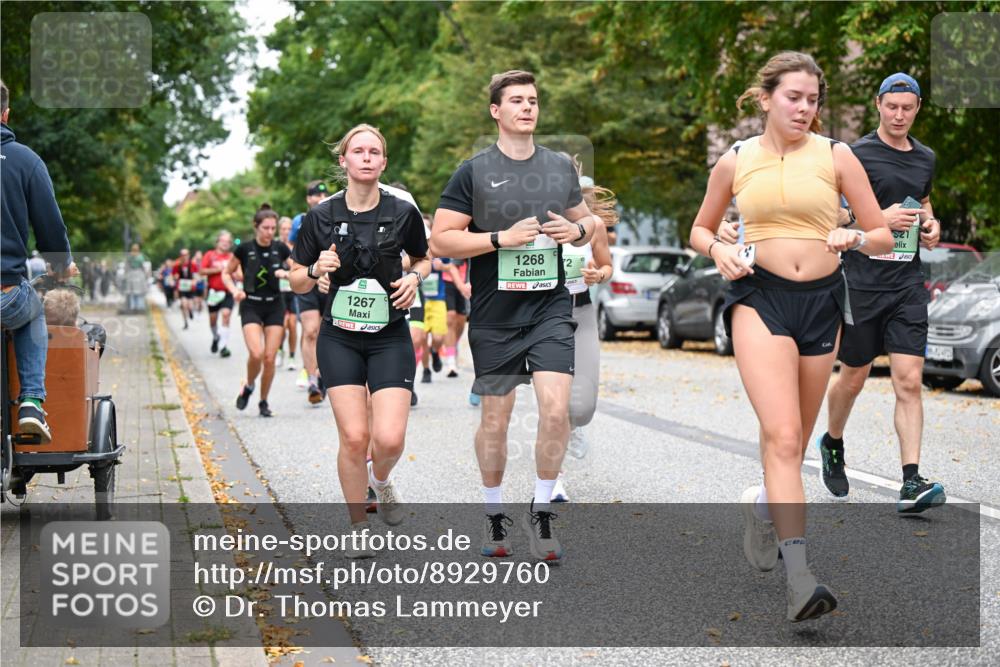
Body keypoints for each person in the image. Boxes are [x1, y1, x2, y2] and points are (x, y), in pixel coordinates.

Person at [688, 52, 892, 622]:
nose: (804, 108)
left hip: (821, 304)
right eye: (793, 97)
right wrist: (720, 249)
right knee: (781, 436)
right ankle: (801, 580)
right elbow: (700, 229)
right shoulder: (735, 160)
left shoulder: (837, 155)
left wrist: (853, 236)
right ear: (766, 98)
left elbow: (880, 234)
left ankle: (761, 505)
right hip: (760, 297)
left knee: (795, 443)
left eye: (812, 100)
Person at [431, 70, 596, 562]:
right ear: (496, 111)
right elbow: (441, 239)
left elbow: (589, 220)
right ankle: (493, 510)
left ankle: (542, 512)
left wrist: (578, 231)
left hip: (549, 308)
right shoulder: (473, 172)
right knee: (496, 422)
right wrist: (500, 238)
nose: (528, 107)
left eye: (534, 100)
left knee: (554, 410)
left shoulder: (559, 168)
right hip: (495, 314)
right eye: (517, 101)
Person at [289, 124, 429, 557]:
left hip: (390, 336)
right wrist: (315, 270)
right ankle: (357, 526)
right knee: (353, 437)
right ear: (343, 161)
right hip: (340, 338)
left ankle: (380, 480)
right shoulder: (321, 216)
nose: (366, 157)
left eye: (374, 152)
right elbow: (294, 279)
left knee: (388, 440)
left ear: (383, 163)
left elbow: (425, 259)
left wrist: (414, 278)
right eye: (358, 151)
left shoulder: (402, 212)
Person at [817, 73, 946, 513]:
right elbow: (831, 214)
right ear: (878, 104)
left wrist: (931, 225)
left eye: (907, 108)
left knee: (909, 380)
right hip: (862, 281)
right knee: (853, 376)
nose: (899, 115)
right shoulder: (855, 154)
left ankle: (911, 482)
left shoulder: (925, 157)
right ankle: (832, 441)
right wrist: (875, 220)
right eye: (892, 107)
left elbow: (924, 203)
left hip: (907, 282)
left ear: (918, 108)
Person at [0, 79, 75, 443]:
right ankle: (31, 401)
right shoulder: (26, 160)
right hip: (6, 294)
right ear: (6, 113)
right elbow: (50, 229)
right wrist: (61, 266)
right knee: (33, 308)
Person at [551, 174, 617, 503]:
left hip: (582, 312)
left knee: (584, 407)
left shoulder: (593, 226)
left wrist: (597, 275)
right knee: (555, 404)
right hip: (546, 317)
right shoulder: (535, 224)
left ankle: (575, 427)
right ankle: (554, 478)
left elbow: (607, 266)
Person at [222, 205, 292, 417]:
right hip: (251, 303)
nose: (270, 232)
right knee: (256, 353)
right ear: (256, 227)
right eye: (266, 228)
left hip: (274, 305)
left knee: (269, 358)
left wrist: (287, 274)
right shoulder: (244, 249)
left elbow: (297, 269)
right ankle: (249, 384)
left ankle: (263, 401)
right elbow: (227, 272)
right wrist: (234, 290)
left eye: (273, 228)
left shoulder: (280, 248)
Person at [290, 181, 330, 404]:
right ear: (308, 199)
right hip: (307, 280)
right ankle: (313, 380)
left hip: (328, 281)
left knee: (325, 331)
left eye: (324, 194)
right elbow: (291, 252)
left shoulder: (333, 216)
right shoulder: (301, 221)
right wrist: (303, 272)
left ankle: (323, 373)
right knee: (310, 331)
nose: (320, 197)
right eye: (315, 195)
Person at [200, 230, 236, 357]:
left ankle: (223, 347)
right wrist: (217, 270)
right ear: (217, 242)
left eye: (228, 242)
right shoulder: (209, 255)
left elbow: (238, 272)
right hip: (213, 292)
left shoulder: (232, 256)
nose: (226, 244)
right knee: (213, 321)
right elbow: (201, 271)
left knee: (226, 315)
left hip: (228, 291)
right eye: (223, 241)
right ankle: (216, 337)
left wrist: (236, 274)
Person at [277, 216, 299, 371]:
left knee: (292, 325)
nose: (286, 232)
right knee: (282, 325)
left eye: (288, 229)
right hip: (279, 292)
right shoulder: (275, 247)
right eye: (283, 229)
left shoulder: (297, 247)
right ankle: (279, 351)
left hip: (293, 291)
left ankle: (291, 356)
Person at [172, 248, 199, 329]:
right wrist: (175, 277)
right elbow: (173, 275)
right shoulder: (177, 264)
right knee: (184, 304)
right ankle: (185, 322)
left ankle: (190, 311)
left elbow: (196, 275)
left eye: (186, 255)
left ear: (189, 255)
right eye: (183, 255)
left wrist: (195, 281)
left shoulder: (192, 264)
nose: (184, 257)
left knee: (189, 305)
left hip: (190, 287)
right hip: (182, 287)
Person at [124, 243, 149, 312]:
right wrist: (146, 274)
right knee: (140, 292)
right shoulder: (140, 257)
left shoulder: (129, 256)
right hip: (139, 274)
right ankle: (140, 307)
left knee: (132, 292)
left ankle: (133, 307)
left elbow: (126, 266)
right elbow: (143, 266)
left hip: (131, 274)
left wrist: (126, 274)